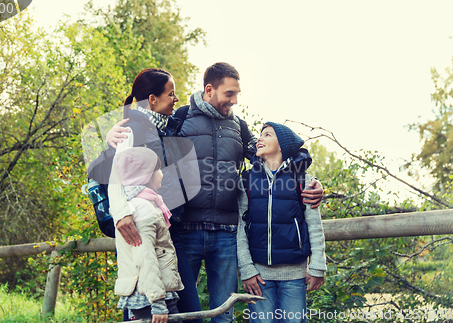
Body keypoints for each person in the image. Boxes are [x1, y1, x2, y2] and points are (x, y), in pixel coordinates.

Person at [106, 62, 324, 323]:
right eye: (229, 94)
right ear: (210, 90)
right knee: (186, 314)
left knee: (224, 314)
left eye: (236, 94)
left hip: (227, 233)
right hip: (185, 231)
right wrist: (113, 138)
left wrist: (306, 176)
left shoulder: (239, 128)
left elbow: (278, 152)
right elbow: (135, 150)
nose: (234, 101)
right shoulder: (179, 119)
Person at [87, 68, 202, 323]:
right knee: (145, 310)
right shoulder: (132, 130)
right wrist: (121, 214)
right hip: (138, 229)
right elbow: (116, 173)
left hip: (167, 229)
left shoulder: (166, 127)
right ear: (152, 99)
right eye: (171, 94)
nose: (176, 99)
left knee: (181, 312)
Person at [237, 122, 326, 323]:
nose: (259, 138)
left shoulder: (303, 180)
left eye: (267, 134)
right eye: (260, 134)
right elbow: (241, 229)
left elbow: (314, 225)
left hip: (294, 276)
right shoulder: (247, 181)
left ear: (283, 145)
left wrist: (318, 267)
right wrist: (247, 269)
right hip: (259, 277)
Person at [112, 147, 184, 323]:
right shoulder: (142, 207)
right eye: (158, 169)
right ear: (146, 176)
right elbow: (145, 256)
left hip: (148, 293)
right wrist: (157, 302)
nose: (162, 174)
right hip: (150, 297)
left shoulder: (135, 205)